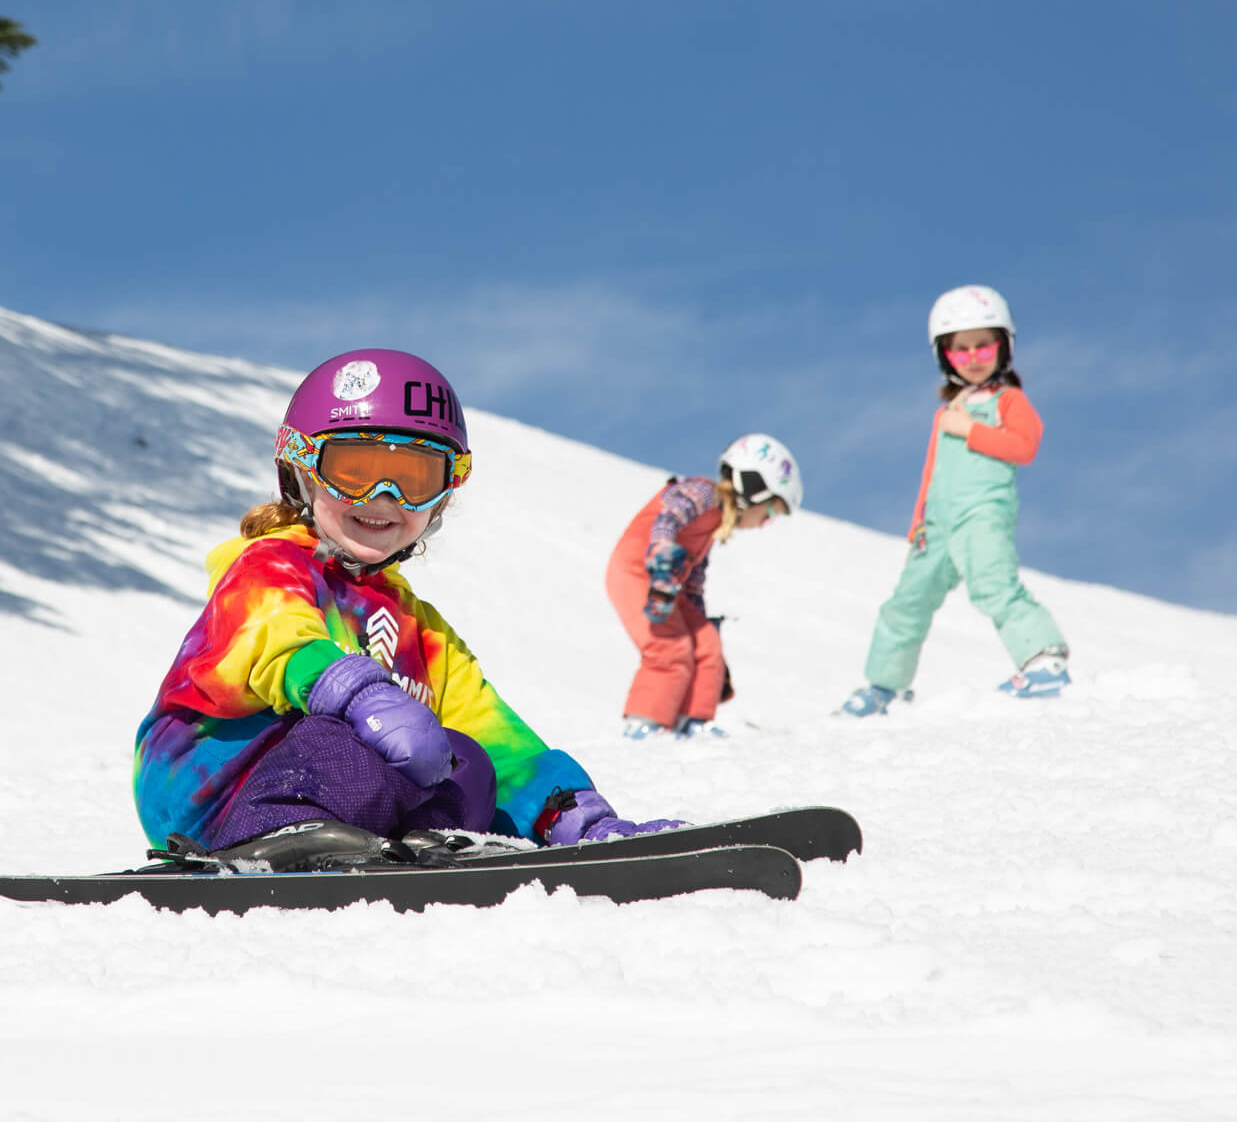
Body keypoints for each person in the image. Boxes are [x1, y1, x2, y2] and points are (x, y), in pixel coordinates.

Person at [134, 349, 681, 857]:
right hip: (217, 795)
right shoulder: (270, 565)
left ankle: (417, 846)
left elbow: (497, 735)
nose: (384, 498)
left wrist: (575, 818)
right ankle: (280, 835)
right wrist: (360, 695)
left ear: (445, 492)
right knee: (344, 740)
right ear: (302, 469)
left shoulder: (420, 629)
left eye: (415, 477)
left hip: (347, 813)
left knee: (468, 760)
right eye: (355, 471)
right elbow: (277, 639)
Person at [842, 285, 1068, 715]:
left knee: (993, 584)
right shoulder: (946, 413)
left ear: (1004, 346)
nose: (974, 358)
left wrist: (972, 431)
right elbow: (932, 472)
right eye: (961, 351)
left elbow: (1026, 446)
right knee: (906, 603)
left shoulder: (1009, 400)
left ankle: (1044, 660)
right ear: (945, 358)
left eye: (984, 346)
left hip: (982, 513)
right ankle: (883, 689)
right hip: (938, 525)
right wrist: (918, 524)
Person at [608, 433, 801, 740]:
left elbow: (693, 585)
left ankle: (693, 722)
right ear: (754, 487)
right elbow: (668, 517)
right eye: (772, 511)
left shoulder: (712, 529)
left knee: (706, 644)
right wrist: (661, 554)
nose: (766, 522)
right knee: (669, 648)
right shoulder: (701, 493)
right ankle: (644, 725)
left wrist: (699, 624)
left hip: (668, 583)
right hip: (638, 571)